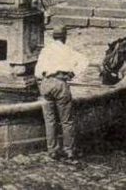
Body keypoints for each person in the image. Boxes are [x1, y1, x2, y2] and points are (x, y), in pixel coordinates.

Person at [34, 26, 89, 160]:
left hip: (46, 83)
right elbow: (85, 61)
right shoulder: (68, 50)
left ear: (53, 36)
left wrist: (43, 81)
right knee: (66, 120)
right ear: (64, 37)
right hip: (60, 83)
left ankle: (52, 150)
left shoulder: (45, 50)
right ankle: (69, 149)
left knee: (50, 119)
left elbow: (37, 72)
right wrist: (72, 73)